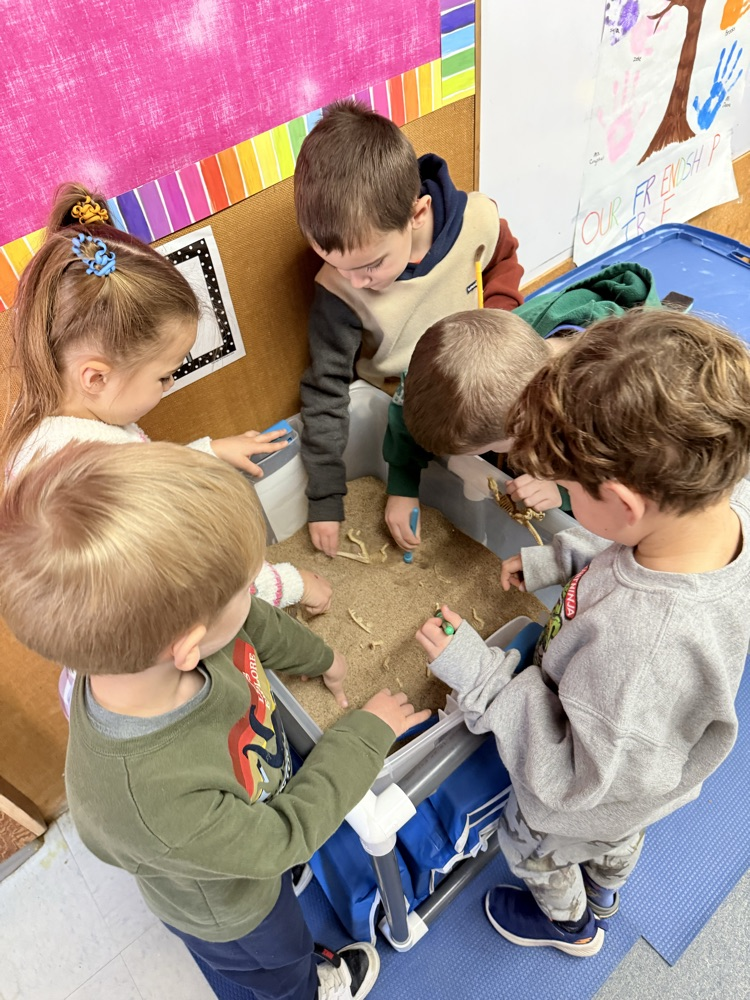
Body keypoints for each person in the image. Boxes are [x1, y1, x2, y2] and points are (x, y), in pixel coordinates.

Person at [0, 441, 431, 999]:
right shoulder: (143, 798)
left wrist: (325, 658)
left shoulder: (156, 649)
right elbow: (285, 838)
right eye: (241, 588)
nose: (251, 595)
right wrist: (367, 732)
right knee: (279, 961)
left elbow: (255, 624)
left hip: (245, 820)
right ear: (188, 646)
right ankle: (306, 986)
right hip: (232, 912)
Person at [415, 310, 750, 957]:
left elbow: (568, 779)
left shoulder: (642, 649)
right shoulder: (713, 506)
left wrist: (480, 673)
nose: (560, 493)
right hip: (647, 776)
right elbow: (620, 558)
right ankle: (606, 890)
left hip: (587, 794)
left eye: (568, 487)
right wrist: (551, 561)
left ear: (624, 504)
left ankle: (570, 925)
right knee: (619, 838)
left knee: (535, 846)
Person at [2, 183, 331, 715]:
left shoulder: (49, 433)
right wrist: (295, 584)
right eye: (164, 375)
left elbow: (132, 486)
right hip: (155, 651)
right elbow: (210, 585)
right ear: (95, 376)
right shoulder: (107, 467)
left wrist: (206, 451)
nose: (170, 387)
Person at [294, 99, 524, 557]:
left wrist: (496, 329)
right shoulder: (340, 290)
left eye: (371, 264)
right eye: (335, 265)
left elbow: (503, 265)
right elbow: (326, 389)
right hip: (398, 412)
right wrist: (325, 496)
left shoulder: (476, 219)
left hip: (475, 387)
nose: (356, 281)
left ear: (417, 214)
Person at [384, 309, 568, 551]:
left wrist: (565, 491)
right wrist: (402, 487)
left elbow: (623, 493)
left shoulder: (598, 419)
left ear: (521, 428)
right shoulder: (482, 359)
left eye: (482, 449)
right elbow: (405, 410)